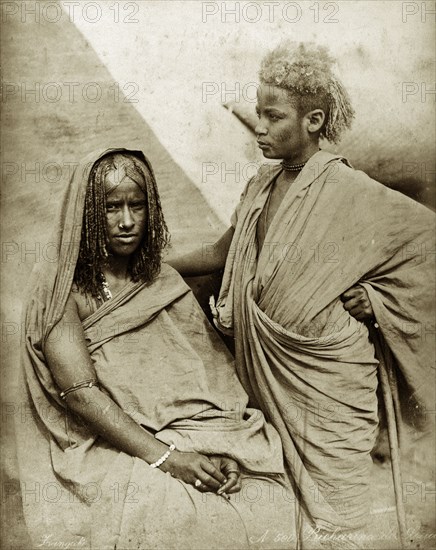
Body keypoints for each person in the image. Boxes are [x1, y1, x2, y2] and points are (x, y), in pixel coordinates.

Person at [168, 42, 435, 540]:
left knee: (341, 522)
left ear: (314, 120)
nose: (261, 128)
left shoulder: (348, 189)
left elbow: (428, 246)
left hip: (331, 382)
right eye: (259, 115)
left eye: (274, 117)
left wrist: (378, 300)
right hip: (265, 378)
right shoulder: (261, 186)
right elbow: (222, 253)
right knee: (283, 514)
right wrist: (150, 264)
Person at [17, 148, 305, 550]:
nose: (127, 222)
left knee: (268, 504)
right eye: (111, 208)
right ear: (84, 212)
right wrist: (170, 459)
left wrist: (266, 190)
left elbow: (219, 257)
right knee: (181, 519)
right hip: (110, 443)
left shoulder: (154, 272)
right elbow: (81, 395)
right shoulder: (60, 286)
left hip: (199, 433)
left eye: (137, 205)